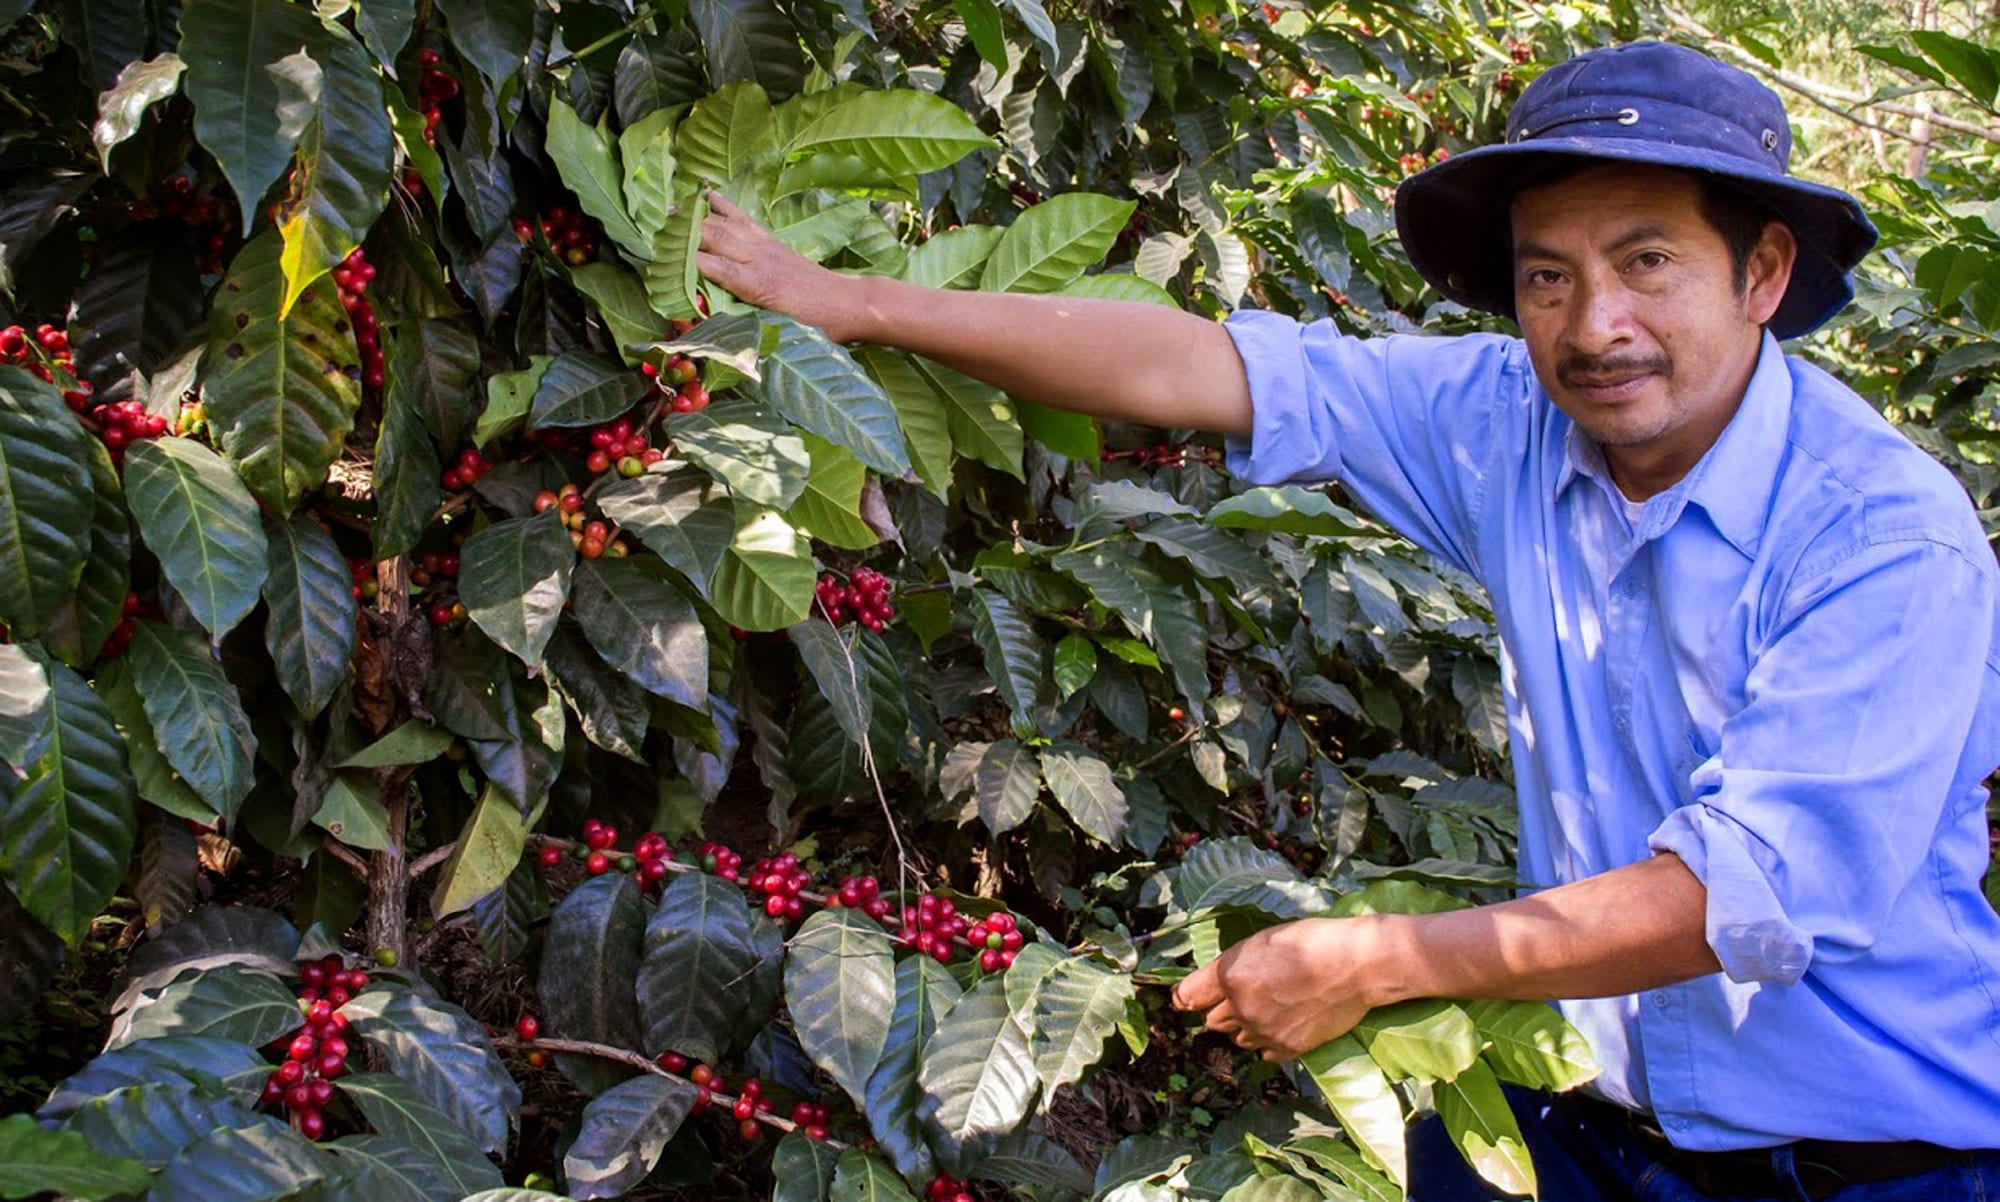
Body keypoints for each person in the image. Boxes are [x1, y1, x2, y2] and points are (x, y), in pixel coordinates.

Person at [696, 40, 2000, 1201]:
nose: (1596, 323)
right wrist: (853, 304)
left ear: (1762, 270)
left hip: (1866, 1166)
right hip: (1576, 1122)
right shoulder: (1504, 422)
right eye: (1548, 275)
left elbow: (1733, 898)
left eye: (1649, 261)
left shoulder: (1887, 537)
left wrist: (1380, 959)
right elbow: (1198, 362)